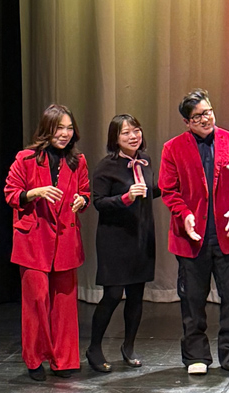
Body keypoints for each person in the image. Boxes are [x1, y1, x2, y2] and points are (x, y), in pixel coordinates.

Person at [159, 89, 229, 376]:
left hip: (228, 234)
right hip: (191, 237)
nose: (205, 119)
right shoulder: (173, 148)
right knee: (192, 300)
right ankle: (196, 355)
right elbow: (168, 190)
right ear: (187, 122)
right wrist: (185, 214)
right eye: (198, 116)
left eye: (208, 112)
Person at [4, 104, 91, 381]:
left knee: (64, 304)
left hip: (65, 238)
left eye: (69, 128)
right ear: (47, 130)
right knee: (37, 300)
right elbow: (11, 193)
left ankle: (63, 360)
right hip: (33, 239)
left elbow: (85, 192)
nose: (65, 134)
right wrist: (35, 192)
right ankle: (35, 359)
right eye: (59, 128)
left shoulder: (78, 161)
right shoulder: (26, 158)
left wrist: (81, 200)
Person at [87, 114, 159, 372]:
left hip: (141, 235)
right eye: (126, 133)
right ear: (115, 139)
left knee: (137, 295)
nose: (133, 136)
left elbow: (151, 191)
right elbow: (98, 202)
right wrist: (126, 198)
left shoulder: (146, 161)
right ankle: (94, 347)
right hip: (115, 239)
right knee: (113, 295)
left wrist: (171, 186)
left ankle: (128, 346)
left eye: (136, 130)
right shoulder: (106, 166)